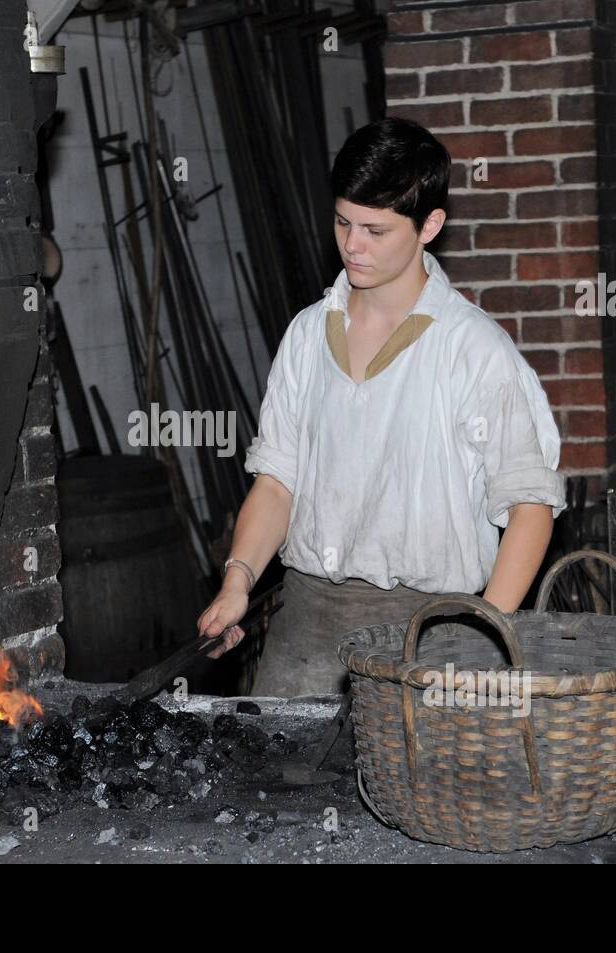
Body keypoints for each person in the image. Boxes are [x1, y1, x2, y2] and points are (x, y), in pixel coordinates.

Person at [197, 117, 567, 697]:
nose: (352, 245)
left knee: (418, 791)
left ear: (430, 226)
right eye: (343, 222)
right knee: (275, 783)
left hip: (432, 630)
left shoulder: (473, 350)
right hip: (307, 624)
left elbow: (530, 504)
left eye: (375, 230)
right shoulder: (307, 336)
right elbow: (277, 483)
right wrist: (238, 578)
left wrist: (480, 634)